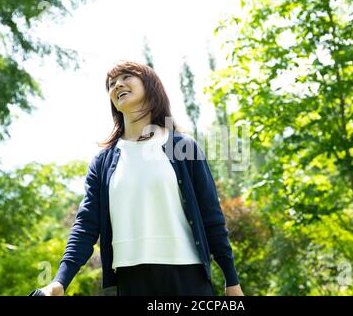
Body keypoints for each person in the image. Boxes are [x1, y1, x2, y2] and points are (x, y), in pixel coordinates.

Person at [40, 60, 244, 296]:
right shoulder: (103, 162)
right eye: (111, 83)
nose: (117, 85)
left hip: (187, 277)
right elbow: (85, 225)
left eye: (126, 77)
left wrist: (232, 280)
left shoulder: (182, 147)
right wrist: (60, 281)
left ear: (150, 85)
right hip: (130, 280)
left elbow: (211, 216)